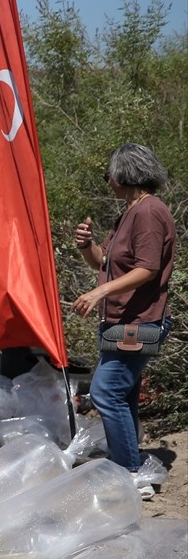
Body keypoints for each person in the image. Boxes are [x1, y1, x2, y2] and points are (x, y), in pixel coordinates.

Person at [70, 143, 176, 500]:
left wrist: (99, 294)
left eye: (109, 174)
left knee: (105, 392)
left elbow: (147, 269)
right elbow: (104, 263)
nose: (107, 181)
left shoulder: (149, 212)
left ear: (125, 174)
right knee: (124, 395)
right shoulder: (130, 212)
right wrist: (87, 246)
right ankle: (127, 465)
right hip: (121, 322)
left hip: (139, 322)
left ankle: (131, 473)